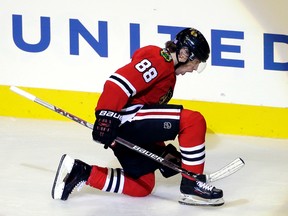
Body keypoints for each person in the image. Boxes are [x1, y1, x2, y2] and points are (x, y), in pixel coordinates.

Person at [51, 28, 224, 206]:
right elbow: (117, 83)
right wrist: (105, 116)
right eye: (195, 62)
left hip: (129, 126)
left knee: (142, 185)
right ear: (183, 53)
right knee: (193, 121)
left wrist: (160, 151)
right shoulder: (159, 60)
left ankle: (80, 172)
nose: (195, 68)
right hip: (125, 118)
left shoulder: (168, 73)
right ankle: (193, 183)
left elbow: (149, 117)